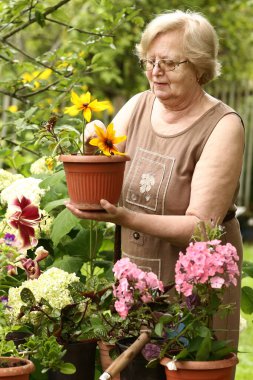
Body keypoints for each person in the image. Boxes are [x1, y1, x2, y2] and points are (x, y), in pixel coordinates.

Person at [66, 9, 244, 367]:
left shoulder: (223, 126)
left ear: (199, 67)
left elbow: (200, 228)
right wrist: (90, 140)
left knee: (180, 369)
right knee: (131, 371)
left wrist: (125, 217)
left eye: (170, 63)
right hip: (135, 285)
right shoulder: (138, 105)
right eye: (150, 60)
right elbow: (104, 163)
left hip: (196, 293)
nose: (155, 71)